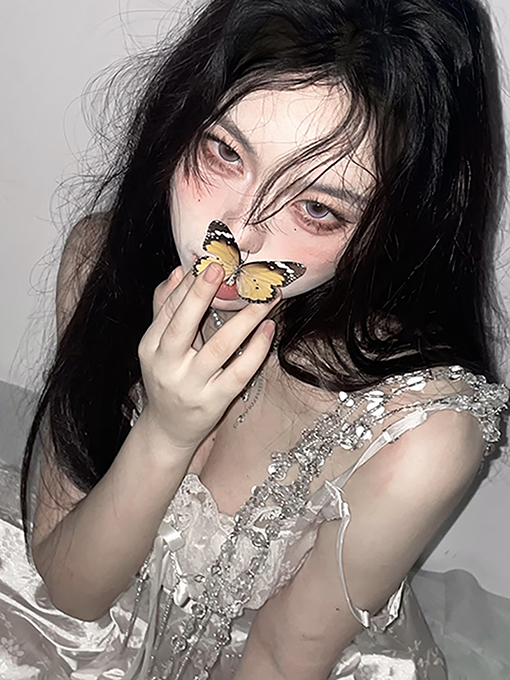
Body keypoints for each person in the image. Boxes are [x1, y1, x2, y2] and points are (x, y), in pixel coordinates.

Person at [0, 0, 508, 678]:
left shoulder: (419, 431)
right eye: (224, 151)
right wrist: (165, 432)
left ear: (393, 227)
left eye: (317, 207)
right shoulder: (103, 263)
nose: (238, 235)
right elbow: (71, 591)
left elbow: (280, 654)